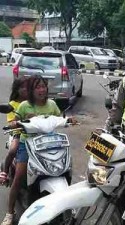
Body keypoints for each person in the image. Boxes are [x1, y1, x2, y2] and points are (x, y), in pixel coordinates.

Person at [1, 75, 62, 225]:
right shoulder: (24, 106)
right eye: (37, 87)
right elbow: (14, 120)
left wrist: (69, 121)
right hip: (27, 142)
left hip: (48, 143)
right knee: (19, 176)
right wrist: (17, 123)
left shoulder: (52, 104)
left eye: (43, 86)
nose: (41, 89)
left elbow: (59, 118)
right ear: (31, 90)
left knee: (62, 168)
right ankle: (10, 213)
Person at [0, 77, 28, 186]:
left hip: (33, 133)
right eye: (23, 87)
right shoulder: (13, 104)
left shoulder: (32, 103)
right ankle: (4, 172)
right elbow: (11, 122)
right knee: (13, 150)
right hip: (18, 132)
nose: (25, 89)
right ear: (17, 90)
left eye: (27, 87)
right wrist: (16, 123)